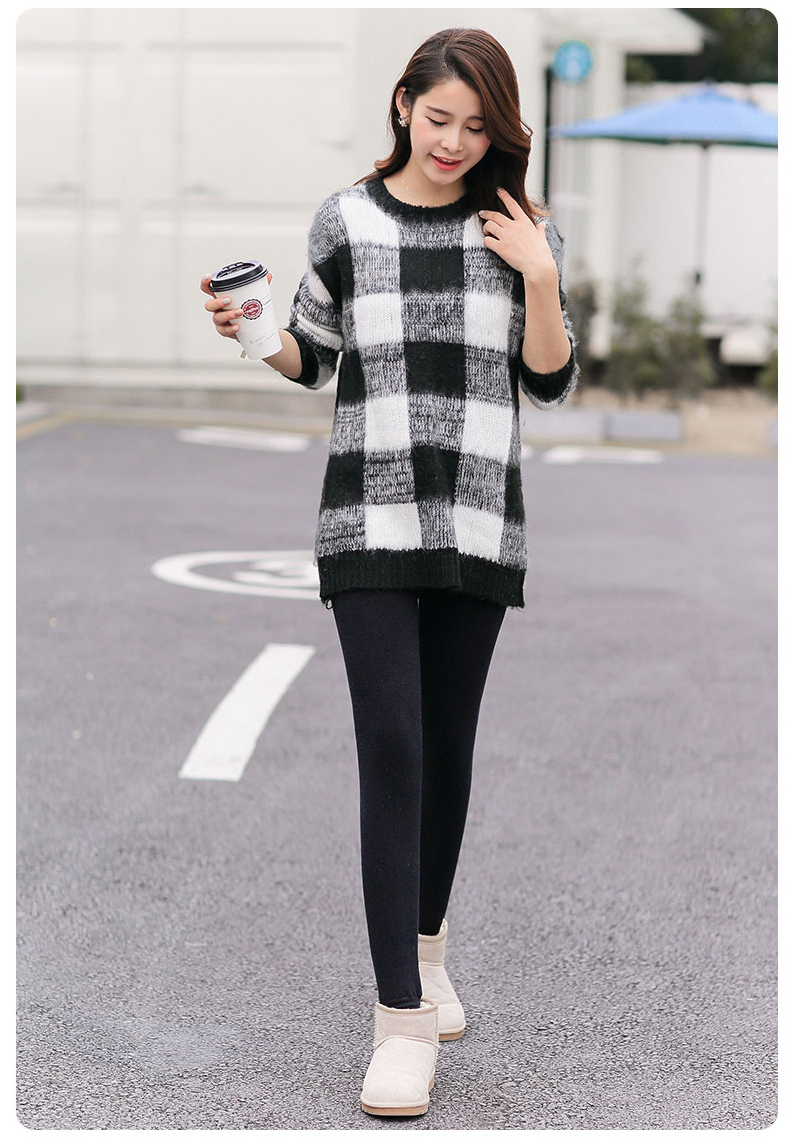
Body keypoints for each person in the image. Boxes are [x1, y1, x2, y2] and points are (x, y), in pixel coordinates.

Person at [200, 25, 579, 1119]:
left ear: (501, 131)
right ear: (404, 104)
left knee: (449, 748)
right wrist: (251, 332)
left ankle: (428, 947)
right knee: (395, 745)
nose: (453, 141)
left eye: (476, 125)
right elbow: (312, 356)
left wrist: (541, 275)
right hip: (367, 515)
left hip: (477, 519)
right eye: (438, 116)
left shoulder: (522, 229)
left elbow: (549, 381)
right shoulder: (347, 219)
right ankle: (399, 1020)